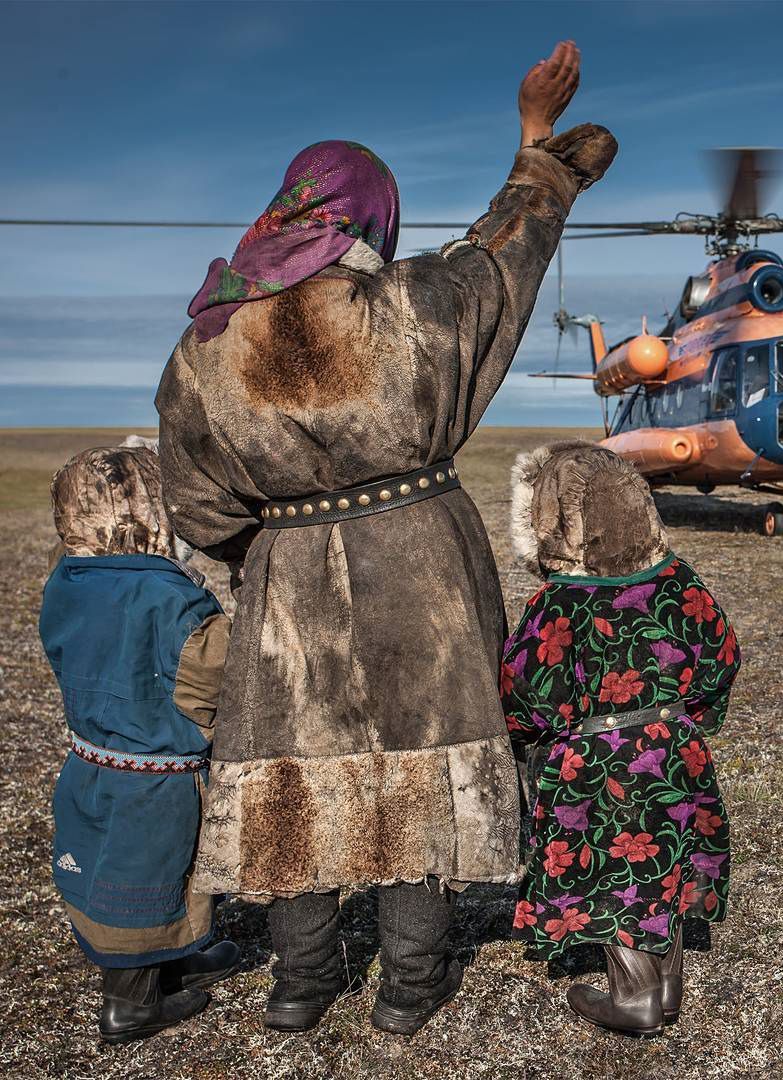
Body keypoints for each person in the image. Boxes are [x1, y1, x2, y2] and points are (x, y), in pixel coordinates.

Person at [155, 42, 618, 1035]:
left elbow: (197, 506)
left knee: (292, 779)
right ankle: (409, 984)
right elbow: (503, 255)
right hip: (424, 565)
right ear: (375, 216)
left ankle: (300, 979)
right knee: (421, 770)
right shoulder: (410, 305)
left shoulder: (204, 347)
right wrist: (537, 141)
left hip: (289, 575)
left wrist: (268, 550)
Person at [501, 443, 740, 1037]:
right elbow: (721, 653)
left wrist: (531, 739)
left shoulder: (558, 602)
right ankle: (666, 986)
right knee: (665, 857)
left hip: (594, 757)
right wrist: (689, 721)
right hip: (674, 745)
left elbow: (526, 692)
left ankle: (635, 997)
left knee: (613, 868)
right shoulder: (681, 581)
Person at [40, 446, 239, 1044]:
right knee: (142, 876)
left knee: (113, 863)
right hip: (154, 775)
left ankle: (174, 957)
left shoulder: (68, 578)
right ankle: (131, 1005)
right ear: (157, 510)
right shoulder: (168, 596)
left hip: (89, 761)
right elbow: (211, 677)